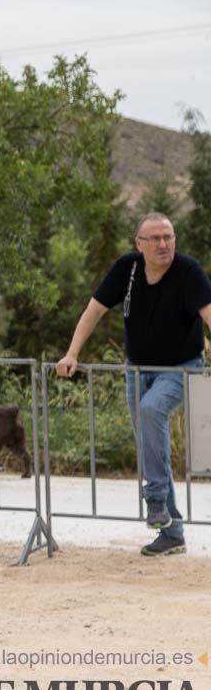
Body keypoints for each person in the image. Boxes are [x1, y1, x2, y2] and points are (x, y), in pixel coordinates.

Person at [56, 212, 211, 557]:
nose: (163, 244)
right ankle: (172, 533)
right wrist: (72, 354)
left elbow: (209, 314)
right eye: (154, 238)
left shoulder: (189, 273)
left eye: (168, 237)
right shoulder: (127, 269)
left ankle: (155, 500)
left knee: (151, 409)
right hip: (136, 369)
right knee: (150, 445)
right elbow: (94, 310)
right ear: (139, 244)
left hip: (182, 369)